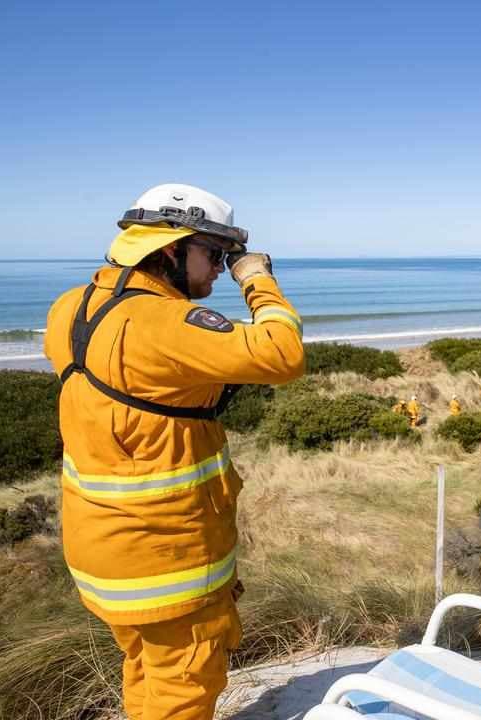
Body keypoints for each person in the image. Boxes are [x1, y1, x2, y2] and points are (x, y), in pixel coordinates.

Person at [43, 183, 305, 720]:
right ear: (171, 250)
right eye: (214, 254)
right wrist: (257, 279)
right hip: (166, 559)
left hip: (102, 551)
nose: (219, 268)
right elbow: (283, 355)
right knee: (185, 687)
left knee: (145, 669)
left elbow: (141, 386)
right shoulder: (162, 322)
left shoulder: (72, 307)